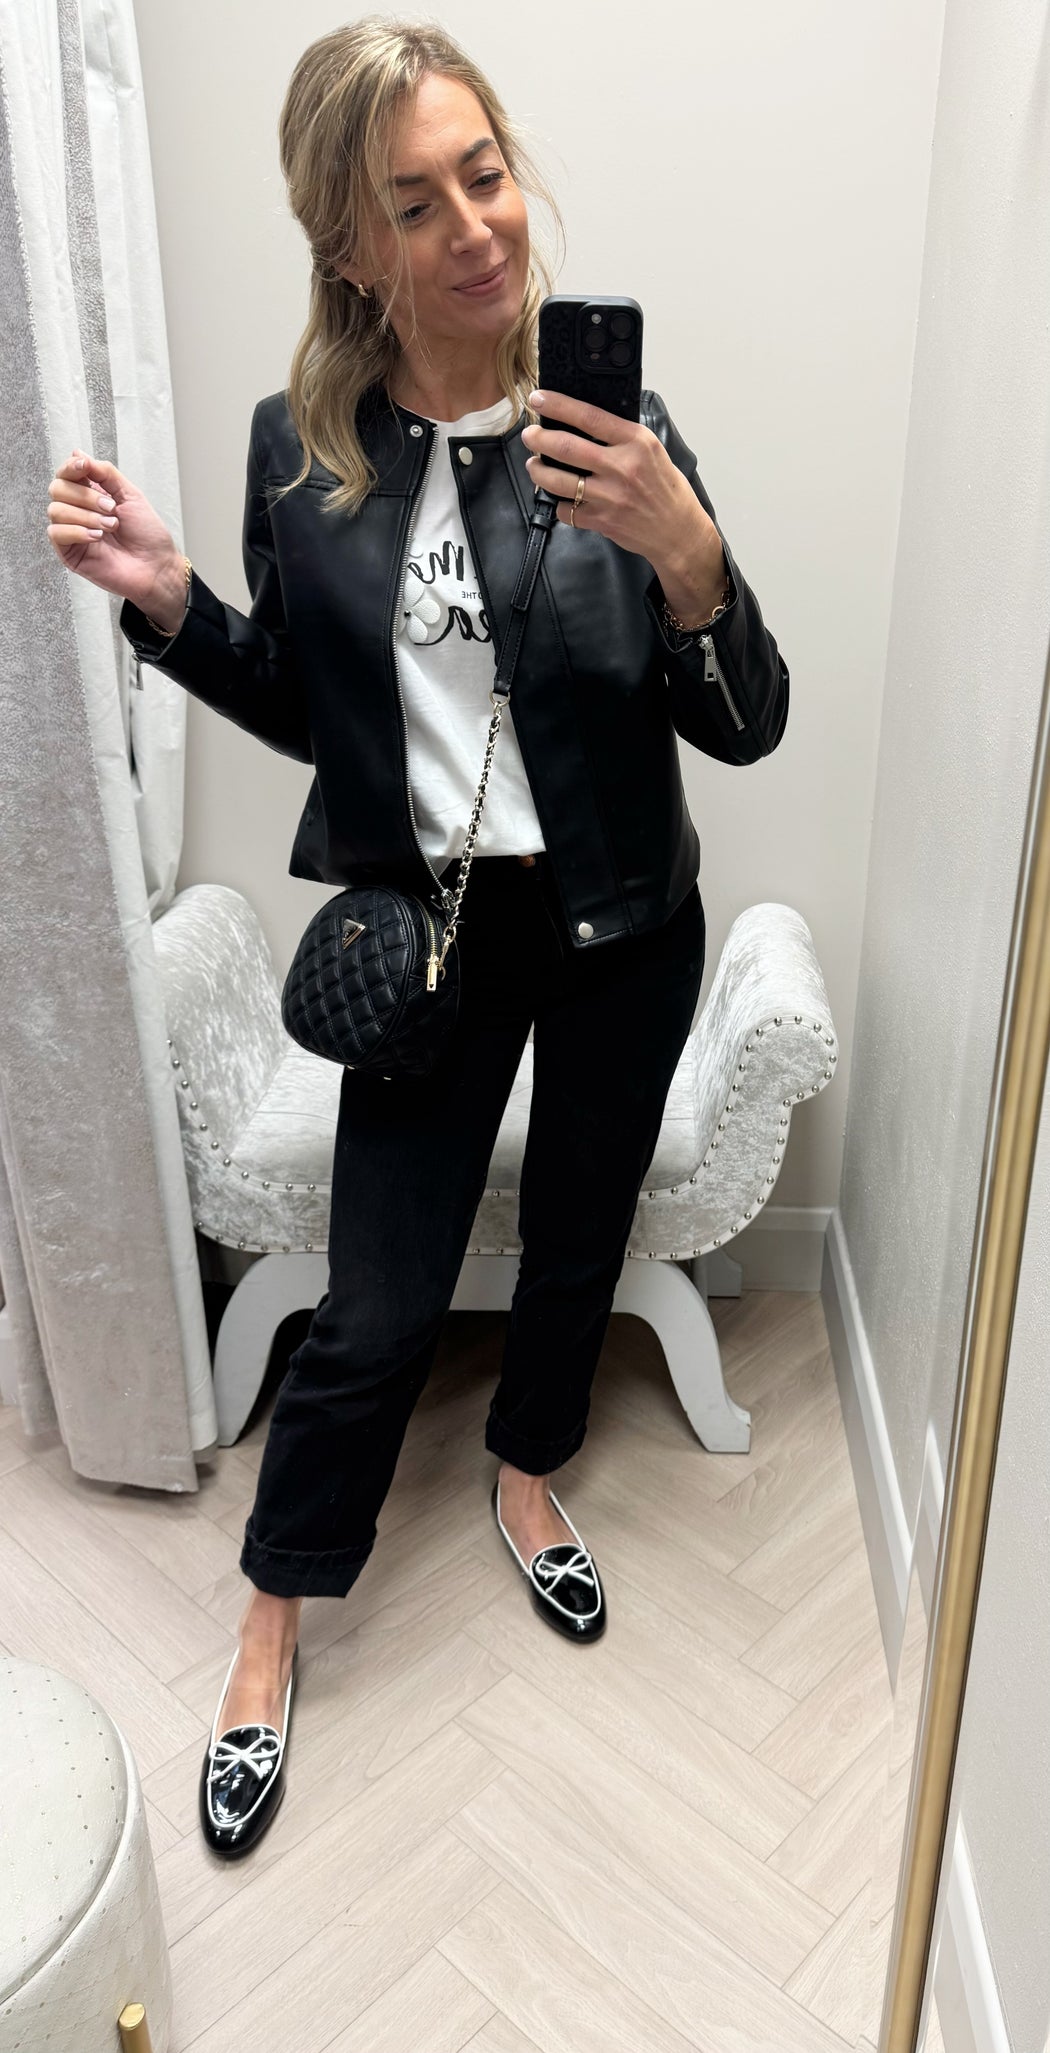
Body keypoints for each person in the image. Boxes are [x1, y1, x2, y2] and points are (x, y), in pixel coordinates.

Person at [46, 18, 789, 1857]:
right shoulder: (301, 455)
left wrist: (688, 557)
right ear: (349, 245)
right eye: (414, 203)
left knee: (577, 1236)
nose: (474, 228)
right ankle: (271, 1615)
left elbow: (747, 722)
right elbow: (322, 712)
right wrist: (171, 606)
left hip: (622, 922)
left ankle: (526, 1471)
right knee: (374, 1302)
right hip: (431, 935)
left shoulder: (609, 426)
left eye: (484, 174)